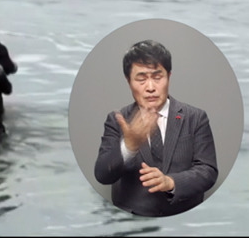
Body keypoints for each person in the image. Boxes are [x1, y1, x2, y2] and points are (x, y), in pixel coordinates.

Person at [93, 40, 218, 217]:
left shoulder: (196, 118)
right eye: (141, 79)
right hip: (133, 220)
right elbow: (102, 175)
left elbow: (208, 170)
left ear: (169, 76)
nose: (150, 88)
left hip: (183, 219)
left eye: (157, 77)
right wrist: (128, 146)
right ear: (128, 81)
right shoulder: (117, 120)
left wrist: (171, 182)